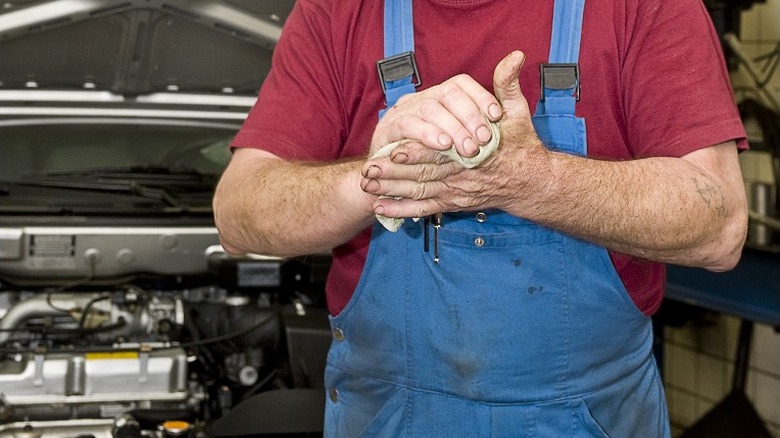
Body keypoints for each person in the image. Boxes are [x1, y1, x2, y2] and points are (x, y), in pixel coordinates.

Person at [212, 0, 748, 435]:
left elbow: (718, 226)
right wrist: (376, 175)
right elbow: (239, 213)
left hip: (590, 420)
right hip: (383, 418)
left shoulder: (643, 7)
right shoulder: (338, 12)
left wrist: (535, 182)